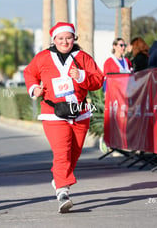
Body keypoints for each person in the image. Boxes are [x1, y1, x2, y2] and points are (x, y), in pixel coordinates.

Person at [23, 22, 104, 213]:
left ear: (74, 39)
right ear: (54, 40)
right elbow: (29, 73)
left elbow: (98, 80)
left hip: (80, 112)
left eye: (68, 38)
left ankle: (59, 178)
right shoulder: (43, 57)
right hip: (53, 113)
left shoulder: (83, 57)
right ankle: (62, 191)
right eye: (61, 38)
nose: (65, 42)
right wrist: (35, 88)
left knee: (73, 154)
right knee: (62, 152)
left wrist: (82, 76)